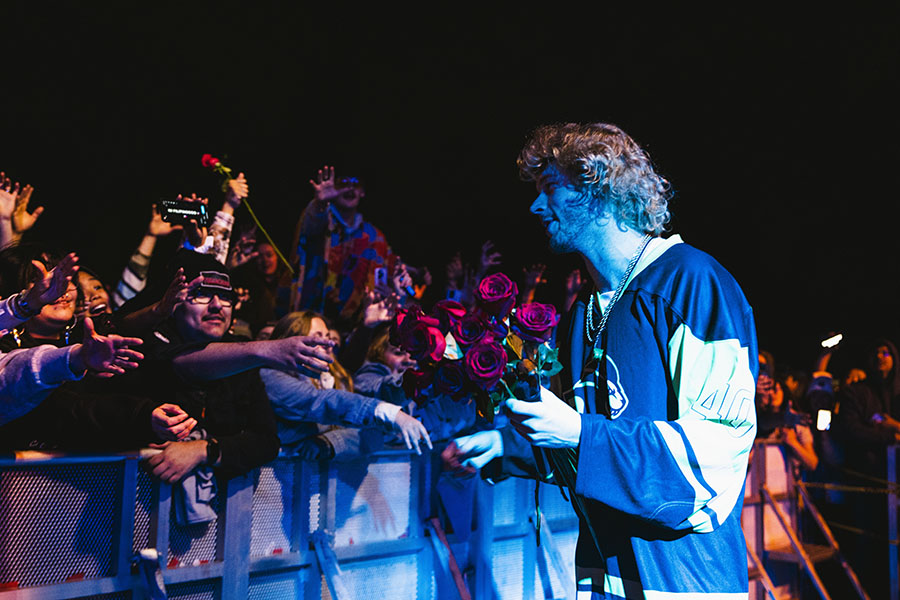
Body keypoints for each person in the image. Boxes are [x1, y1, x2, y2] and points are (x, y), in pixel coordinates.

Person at [447, 123, 757, 599]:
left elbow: (718, 455)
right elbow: (583, 451)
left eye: (550, 188)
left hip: (686, 582)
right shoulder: (582, 315)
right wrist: (506, 447)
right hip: (602, 576)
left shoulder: (692, 282)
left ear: (596, 185)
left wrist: (578, 432)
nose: (535, 206)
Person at [291, 166, 396, 329]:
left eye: (356, 184)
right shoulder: (322, 221)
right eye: (343, 183)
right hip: (313, 319)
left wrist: (415, 275)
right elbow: (310, 228)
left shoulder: (374, 236)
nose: (350, 188)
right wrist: (320, 202)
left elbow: (389, 271)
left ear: (363, 192)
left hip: (355, 325)